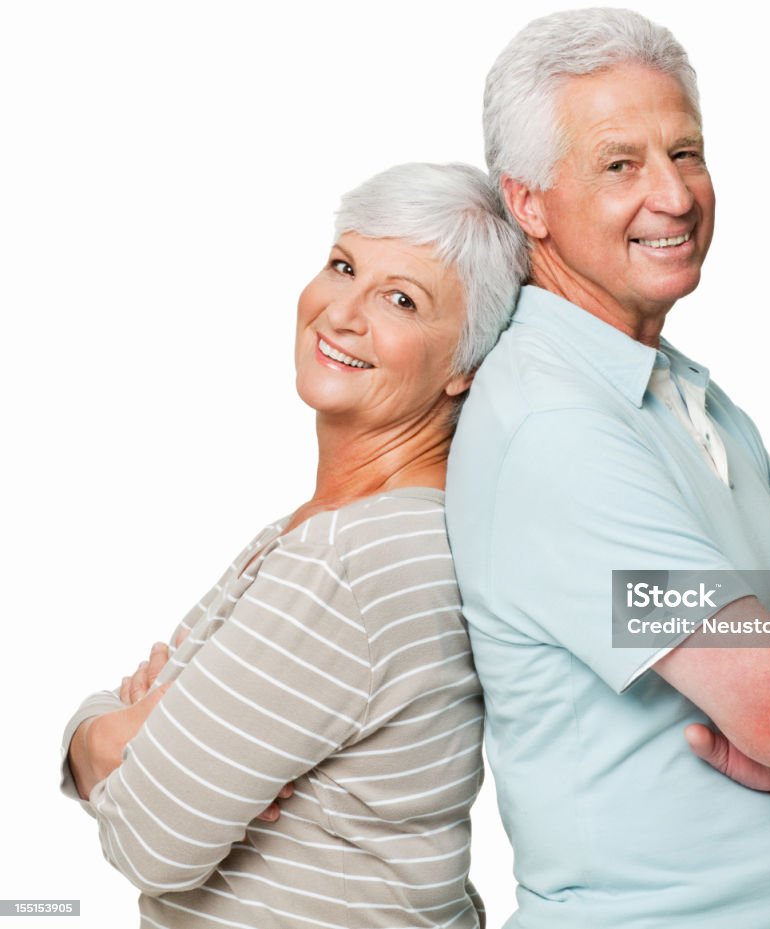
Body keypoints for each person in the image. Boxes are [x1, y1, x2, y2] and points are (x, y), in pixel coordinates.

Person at [445, 8, 770, 929]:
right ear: (528, 201)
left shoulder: (686, 396)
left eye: (687, 152)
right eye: (620, 164)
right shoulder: (558, 431)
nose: (673, 195)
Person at [60, 162, 526, 929]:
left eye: (401, 300)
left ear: (464, 368)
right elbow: (136, 756)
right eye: (344, 265)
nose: (341, 312)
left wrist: (109, 736)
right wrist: (109, 733)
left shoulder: (349, 558)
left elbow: (149, 839)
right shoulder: (336, 529)